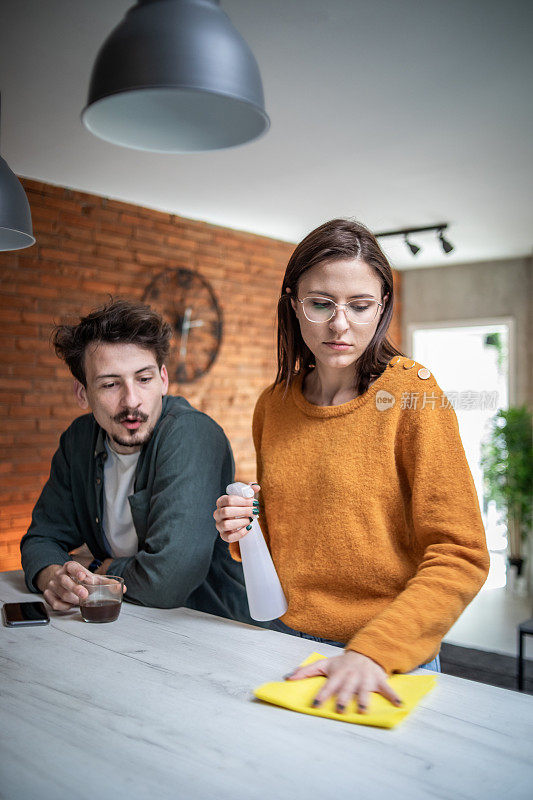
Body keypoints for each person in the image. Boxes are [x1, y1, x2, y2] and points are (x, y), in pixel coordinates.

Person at [214, 219, 490, 714]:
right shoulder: (273, 405)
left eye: (360, 306)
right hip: (288, 644)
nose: (340, 325)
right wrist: (244, 528)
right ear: (293, 303)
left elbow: (460, 554)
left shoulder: (412, 393)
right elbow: (293, 542)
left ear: (381, 307)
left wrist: (372, 652)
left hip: (387, 657)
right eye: (320, 304)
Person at [21, 299, 254, 625]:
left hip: (216, 630)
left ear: (163, 380)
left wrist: (97, 567)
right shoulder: (78, 440)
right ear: (83, 393)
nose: (131, 401)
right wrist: (56, 577)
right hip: (133, 626)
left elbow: (168, 580)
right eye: (110, 384)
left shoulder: (191, 433)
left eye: (143, 379)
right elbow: (41, 538)